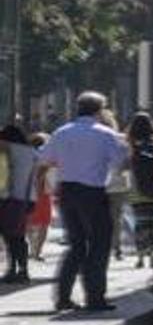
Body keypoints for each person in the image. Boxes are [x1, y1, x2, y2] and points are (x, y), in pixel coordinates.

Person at [36, 92, 130, 312]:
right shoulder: (106, 134)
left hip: (67, 192)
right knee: (99, 244)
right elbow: (120, 163)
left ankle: (63, 297)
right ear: (99, 110)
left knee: (76, 245)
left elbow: (45, 160)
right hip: (93, 192)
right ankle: (95, 297)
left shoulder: (61, 132)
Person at [1, 126, 39, 284]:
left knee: (9, 236)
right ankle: (23, 269)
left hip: (8, 198)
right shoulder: (31, 152)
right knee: (18, 235)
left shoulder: (6, 149)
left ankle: (12, 269)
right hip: (27, 198)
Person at [126, 113, 153, 269]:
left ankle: (140, 257)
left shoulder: (131, 147)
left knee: (140, 224)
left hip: (137, 191)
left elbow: (126, 168)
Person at [99, 110, 130, 262]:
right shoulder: (122, 140)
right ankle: (116, 247)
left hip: (98, 184)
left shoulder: (95, 139)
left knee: (100, 218)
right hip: (118, 183)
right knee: (116, 217)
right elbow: (126, 162)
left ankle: (103, 246)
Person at [26, 133, 52, 262]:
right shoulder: (47, 156)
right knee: (44, 223)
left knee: (29, 221)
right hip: (44, 193)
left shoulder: (27, 156)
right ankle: (37, 251)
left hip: (29, 192)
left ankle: (32, 248)